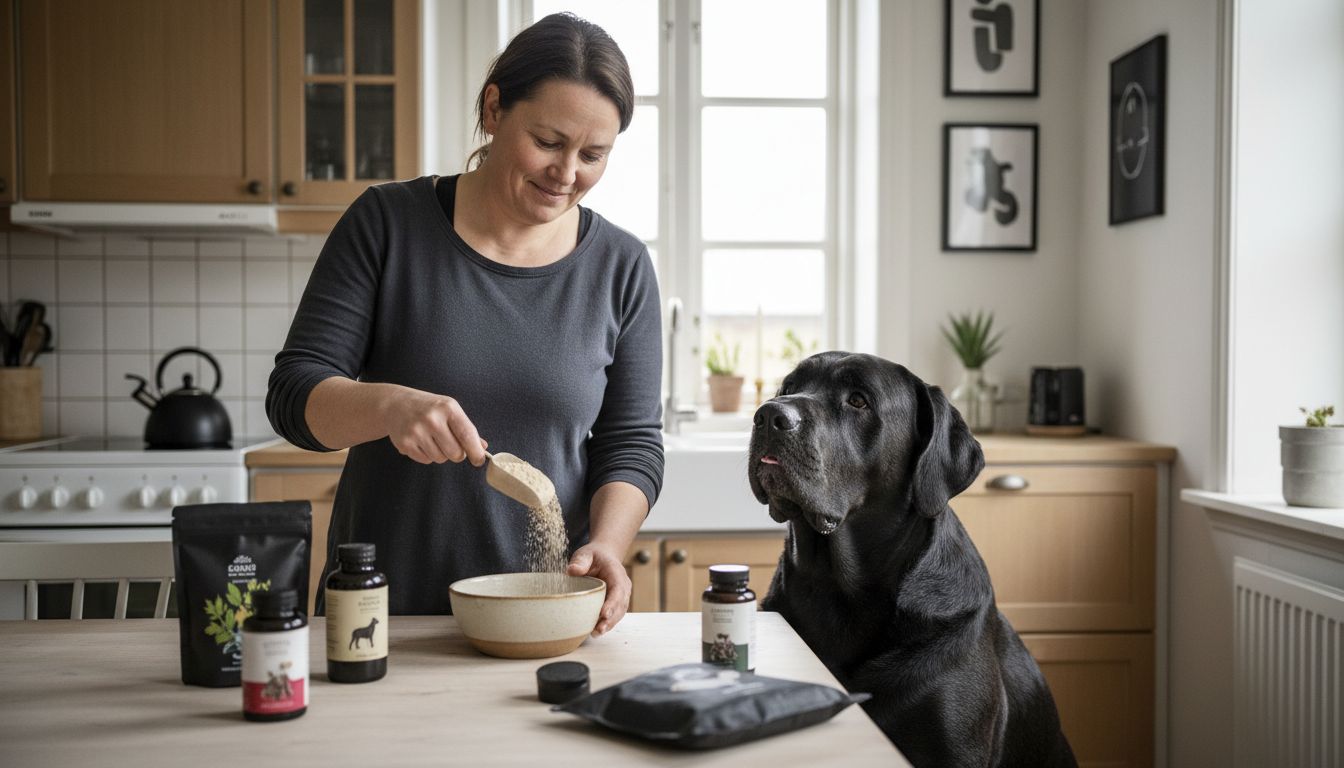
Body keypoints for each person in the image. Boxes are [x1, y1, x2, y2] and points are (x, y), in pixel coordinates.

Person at [266, 13, 663, 635]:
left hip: (546, 612)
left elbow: (631, 442)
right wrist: (389, 407)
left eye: (593, 155)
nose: (566, 174)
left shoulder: (621, 266)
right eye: (548, 142)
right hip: (386, 610)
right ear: (494, 108)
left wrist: (608, 545)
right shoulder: (388, 224)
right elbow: (293, 395)